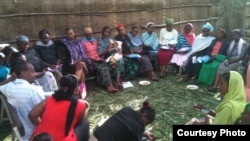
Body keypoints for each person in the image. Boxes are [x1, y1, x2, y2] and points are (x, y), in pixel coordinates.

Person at [29, 74, 90, 141]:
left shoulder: (50, 99)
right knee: (85, 123)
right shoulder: (81, 104)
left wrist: (44, 124)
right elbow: (78, 122)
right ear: (75, 89)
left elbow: (32, 115)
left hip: (38, 138)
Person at [0, 61, 45, 141]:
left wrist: (10, 79)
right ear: (23, 73)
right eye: (32, 71)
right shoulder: (34, 90)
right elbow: (44, 112)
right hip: (36, 132)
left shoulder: (7, 88)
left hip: (21, 132)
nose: (35, 74)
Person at [89, 101, 156, 141]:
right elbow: (133, 130)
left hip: (94, 136)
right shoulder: (137, 129)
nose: (144, 125)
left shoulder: (126, 110)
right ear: (144, 116)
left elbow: (123, 127)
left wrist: (143, 133)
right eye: (146, 123)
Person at [82, 27, 119, 93]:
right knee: (103, 67)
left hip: (98, 58)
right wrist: (93, 59)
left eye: (90, 33)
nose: (89, 35)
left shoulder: (95, 41)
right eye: (87, 34)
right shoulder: (82, 42)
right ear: (85, 34)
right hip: (90, 61)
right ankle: (109, 86)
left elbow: (99, 52)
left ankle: (105, 83)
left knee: (107, 64)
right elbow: (83, 55)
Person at [60, 27, 92, 99]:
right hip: (73, 64)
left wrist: (78, 61)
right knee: (81, 70)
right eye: (68, 34)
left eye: (71, 34)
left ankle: (74, 85)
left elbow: (83, 55)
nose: (70, 36)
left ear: (74, 34)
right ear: (67, 35)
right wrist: (75, 62)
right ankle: (83, 92)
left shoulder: (79, 42)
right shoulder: (66, 43)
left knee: (81, 64)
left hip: (83, 61)